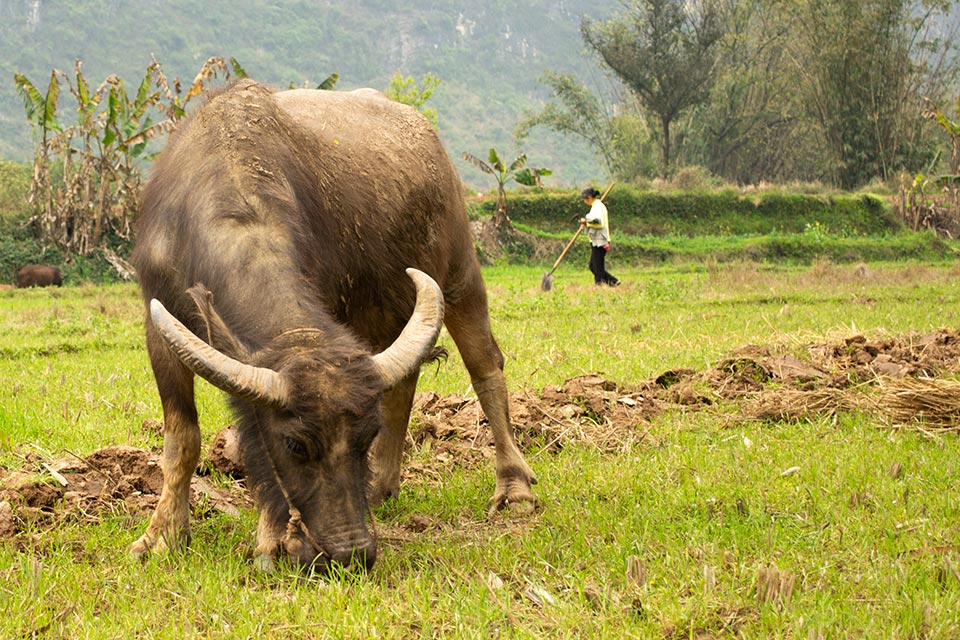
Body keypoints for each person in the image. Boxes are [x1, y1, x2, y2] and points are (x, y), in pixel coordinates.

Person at [579, 187, 619, 287]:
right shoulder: (595, 206)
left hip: (600, 240)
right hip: (596, 240)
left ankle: (600, 286)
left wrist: (586, 222)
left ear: (589, 198)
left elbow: (599, 223)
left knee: (597, 267)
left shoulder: (598, 207)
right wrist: (586, 223)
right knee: (593, 266)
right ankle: (613, 282)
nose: (584, 201)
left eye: (584, 199)